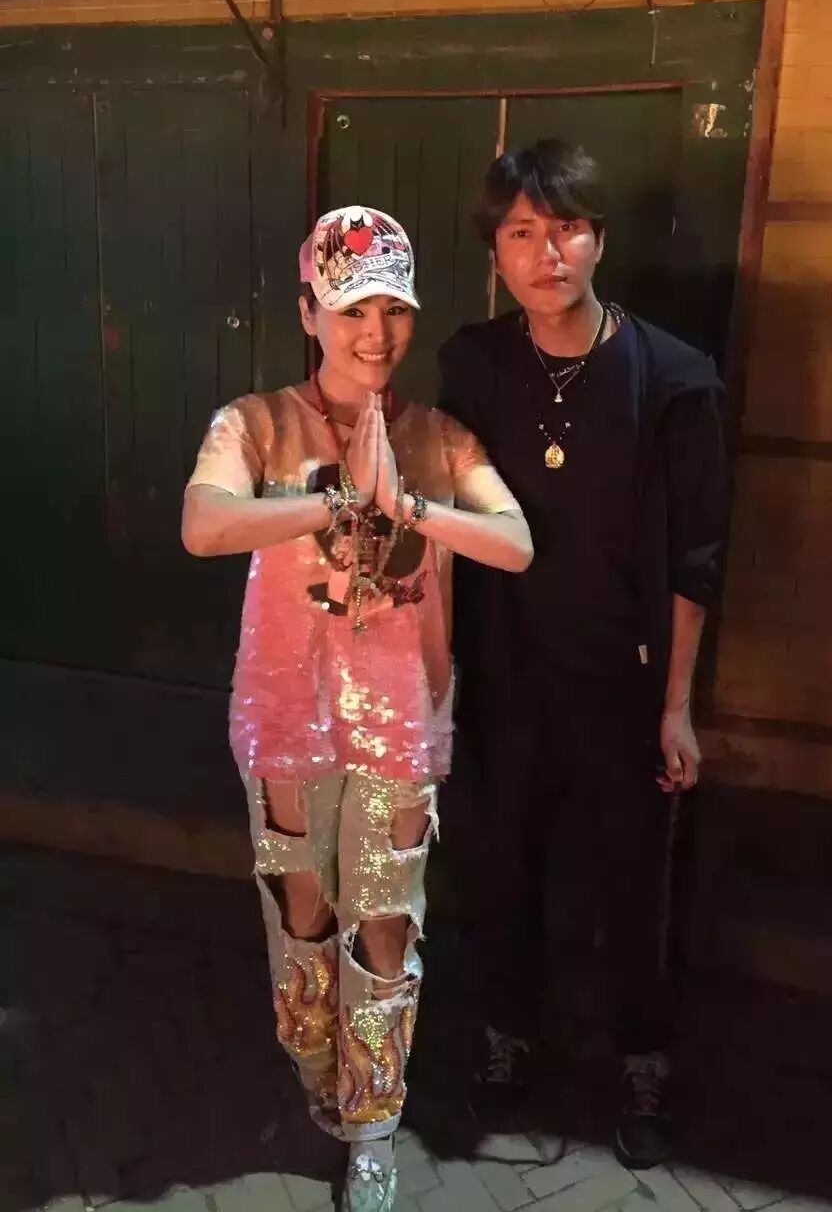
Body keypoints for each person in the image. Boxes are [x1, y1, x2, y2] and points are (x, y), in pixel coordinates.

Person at [182, 205, 531, 1212]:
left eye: (393, 309)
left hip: (400, 724)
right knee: (303, 915)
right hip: (287, 715)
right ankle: (318, 1072)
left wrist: (408, 504)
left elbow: (515, 543)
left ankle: (374, 1121)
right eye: (351, 309)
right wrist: (338, 502)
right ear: (309, 311)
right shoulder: (254, 422)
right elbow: (205, 523)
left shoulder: (441, 436)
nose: (375, 332)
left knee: (384, 923)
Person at [437, 140, 726, 1169]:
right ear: (497, 251)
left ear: (598, 239)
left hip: (622, 677)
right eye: (521, 232)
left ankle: (643, 1058)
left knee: (631, 878)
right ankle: (506, 1035)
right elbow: (443, 517)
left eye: (565, 229)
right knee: (500, 864)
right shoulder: (473, 365)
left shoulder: (674, 378)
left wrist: (676, 705)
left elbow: (695, 560)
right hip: (505, 673)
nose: (545, 252)